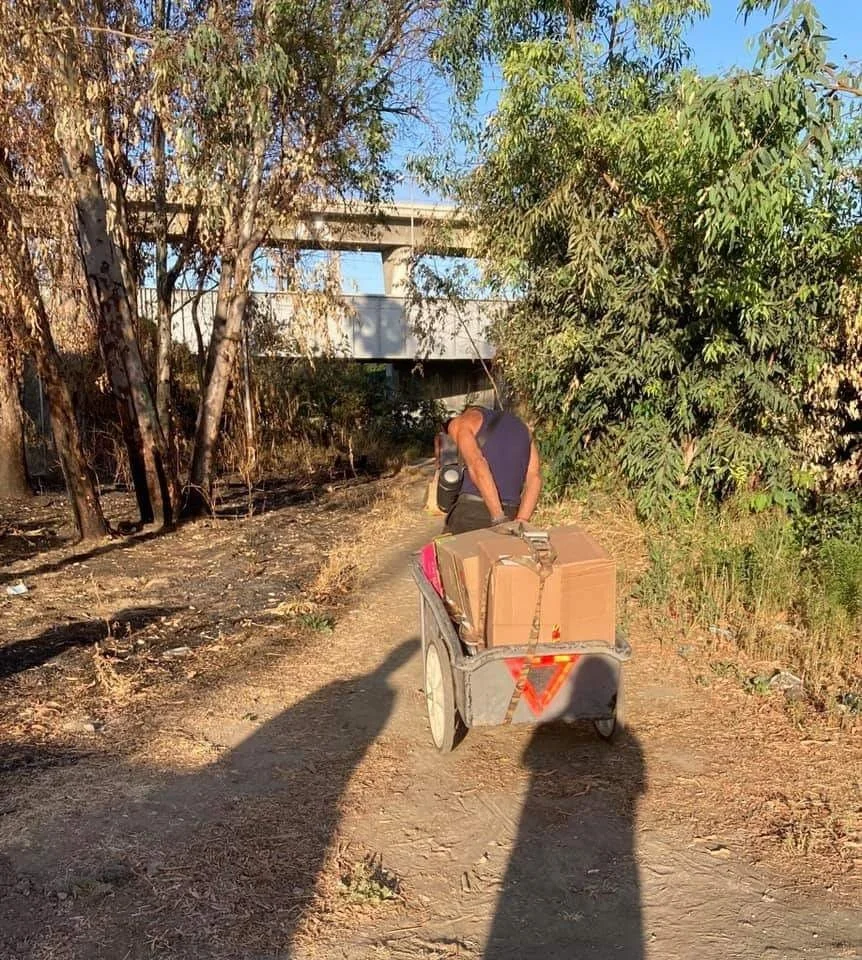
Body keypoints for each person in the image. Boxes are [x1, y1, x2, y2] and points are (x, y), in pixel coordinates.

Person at [441, 405, 541, 535]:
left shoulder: (463, 421)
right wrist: (521, 521)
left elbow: (477, 464)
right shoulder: (523, 428)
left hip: (472, 513)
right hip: (512, 512)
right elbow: (534, 477)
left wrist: (498, 517)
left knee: (441, 552)